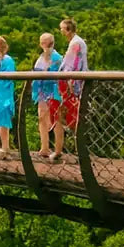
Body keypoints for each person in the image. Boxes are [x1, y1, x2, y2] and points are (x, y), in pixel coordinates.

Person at [54, 18, 88, 160]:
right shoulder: (77, 42)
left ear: (68, 29)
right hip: (76, 83)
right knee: (72, 116)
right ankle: (77, 149)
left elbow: (70, 65)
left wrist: (67, 81)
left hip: (74, 85)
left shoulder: (75, 43)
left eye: (62, 28)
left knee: (72, 116)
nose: (61, 31)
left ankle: (78, 150)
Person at [31, 33, 63, 159]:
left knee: (56, 120)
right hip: (41, 92)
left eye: (49, 43)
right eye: (44, 43)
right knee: (41, 118)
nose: (46, 45)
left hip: (54, 91)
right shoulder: (40, 58)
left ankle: (58, 149)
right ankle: (44, 147)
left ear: (53, 43)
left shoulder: (58, 58)